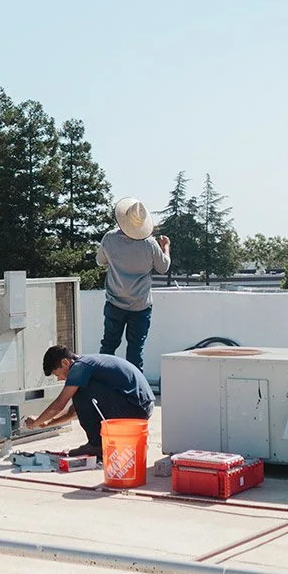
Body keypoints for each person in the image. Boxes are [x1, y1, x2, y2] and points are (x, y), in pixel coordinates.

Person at [23, 346, 154, 460]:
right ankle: (98, 443)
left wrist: (36, 422)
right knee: (79, 389)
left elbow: (60, 404)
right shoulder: (88, 364)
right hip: (139, 406)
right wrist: (47, 423)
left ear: (65, 362)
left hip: (135, 407)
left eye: (58, 374)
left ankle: (96, 444)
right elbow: (73, 412)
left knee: (78, 389)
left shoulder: (80, 367)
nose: (60, 379)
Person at [97, 196, 170, 371]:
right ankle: (134, 390)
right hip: (140, 306)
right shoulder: (150, 244)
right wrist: (165, 246)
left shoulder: (109, 238)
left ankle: (101, 381)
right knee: (135, 350)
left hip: (115, 303)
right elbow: (163, 267)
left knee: (108, 346)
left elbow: (100, 261)